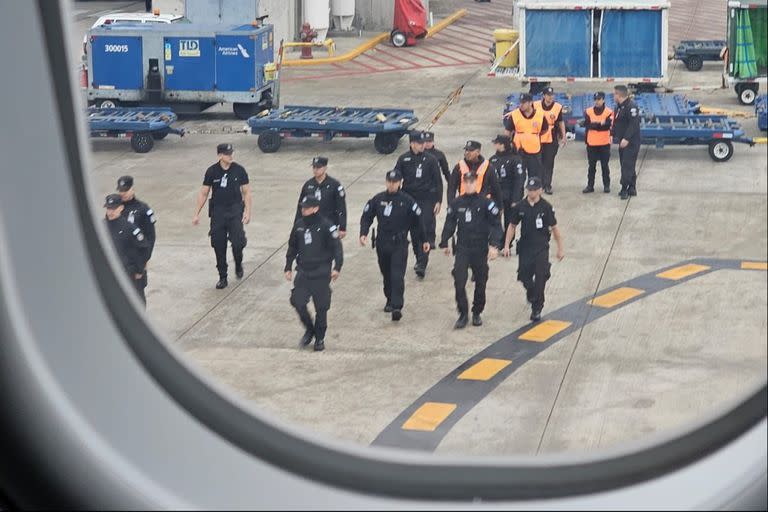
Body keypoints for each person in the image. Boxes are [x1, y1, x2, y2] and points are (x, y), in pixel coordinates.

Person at [360, 170, 430, 322]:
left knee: (397, 275)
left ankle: (397, 307)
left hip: (399, 244)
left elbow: (419, 222)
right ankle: (390, 299)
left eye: (395, 182)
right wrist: (363, 233)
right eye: (389, 181)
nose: (392, 184)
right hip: (382, 243)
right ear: (386, 182)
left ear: (400, 182)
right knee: (386, 274)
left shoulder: (407, 201)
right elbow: (367, 216)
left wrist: (425, 240)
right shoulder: (378, 199)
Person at [439, 172, 504, 329]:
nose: (468, 185)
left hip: (480, 248)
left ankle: (476, 312)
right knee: (459, 280)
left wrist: (494, 245)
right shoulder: (456, 203)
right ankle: (463, 313)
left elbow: (496, 225)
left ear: (476, 183)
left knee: (481, 281)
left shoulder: (486, 203)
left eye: (471, 182)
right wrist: (445, 242)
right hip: (463, 247)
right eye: (466, 182)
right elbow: (449, 223)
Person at [285, 196, 343, 352]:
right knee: (297, 301)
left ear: (315, 208)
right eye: (302, 207)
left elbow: (337, 248)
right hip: (304, 271)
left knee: (321, 308)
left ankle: (320, 338)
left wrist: (337, 267)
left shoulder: (327, 226)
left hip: (321, 272)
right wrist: (288, 266)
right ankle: (309, 329)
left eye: (306, 207)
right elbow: (292, 247)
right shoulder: (299, 226)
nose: (303, 210)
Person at [503, 177, 565, 322]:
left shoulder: (546, 207)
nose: (531, 192)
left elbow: (555, 228)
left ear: (540, 190)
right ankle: (531, 293)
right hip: (525, 247)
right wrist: (506, 245)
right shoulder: (520, 207)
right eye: (529, 189)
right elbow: (512, 226)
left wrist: (560, 248)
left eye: (534, 190)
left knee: (540, 277)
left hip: (541, 247)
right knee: (524, 276)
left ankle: (537, 308)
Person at [192, 143, 252, 290]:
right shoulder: (212, 171)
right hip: (218, 212)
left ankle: (238, 263)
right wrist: (196, 213)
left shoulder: (239, 170)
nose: (230, 156)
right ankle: (222, 276)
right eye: (227, 154)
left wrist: (248, 211)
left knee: (238, 242)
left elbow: (246, 192)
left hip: (235, 210)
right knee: (218, 244)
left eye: (231, 153)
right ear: (219, 155)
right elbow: (204, 193)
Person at [393, 131, 442, 279]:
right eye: (419, 143)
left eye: (423, 143)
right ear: (412, 144)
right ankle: (418, 256)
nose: (422, 146)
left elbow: (438, 181)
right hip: (408, 198)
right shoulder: (403, 159)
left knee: (424, 231)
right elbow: (396, 177)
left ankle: (422, 263)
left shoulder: (431, 160)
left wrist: (438, 200)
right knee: (414, 233)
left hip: (426, 199)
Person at [104, 194, 150, 304]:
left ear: (121, 208)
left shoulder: (129, 228)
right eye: (108, 208)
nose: (110, 211)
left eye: (113, 208)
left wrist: (140, 270)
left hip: (128, 273)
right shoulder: (101, 226)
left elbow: (144, 248)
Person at [117, 176, 157, 302]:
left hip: (136, 260)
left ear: (132, 189)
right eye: (121, 190)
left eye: (126, 190)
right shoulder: (115, 208)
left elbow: (150, 237)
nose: (123, 193)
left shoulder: (143, 209)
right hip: (119, 258)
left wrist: (145, 259)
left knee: (137, 295)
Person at [295, 156, 347, 238]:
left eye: (318, 167)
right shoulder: (308, 185)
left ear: (325, 168)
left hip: (329, 224)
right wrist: (297, 226)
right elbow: (300, 207)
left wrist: (342, 227)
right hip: (311, 224)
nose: (315, 170)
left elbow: (341, 207)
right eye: (314, 167)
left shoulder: (334, 185)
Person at [503, 93, 549, 180]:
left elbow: (544, 129)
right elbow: (507, 131)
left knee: (534, 177)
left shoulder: (540, 115)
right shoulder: (515, 115)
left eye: (524, 103)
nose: (521, 105)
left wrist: (533, 136)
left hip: (534, 151)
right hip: (518, 151)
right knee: (518, 178)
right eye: (520, 102)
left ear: (531, 103)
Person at [447, 140, 503, 207]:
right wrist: (450, 205)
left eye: (470, 151)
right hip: (463, 204)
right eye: (466, 150)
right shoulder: (459, 167)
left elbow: (496, 188)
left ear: (478, 152)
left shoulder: (488, 167)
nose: (467, 153)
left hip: (482, 205)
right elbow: (451, 188)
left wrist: (500, 206)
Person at [488, 134, 525, 233]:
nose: (494, 145)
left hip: (509, 195)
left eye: (496, 143)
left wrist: (516, 199)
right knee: (494, 220)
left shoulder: (515, 159)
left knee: (509, 221)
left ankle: (507, 243)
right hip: (495, 195)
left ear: (502, 145)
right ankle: (497, 241)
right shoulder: (492, 159)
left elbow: (519, 180)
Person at [534, 87, 567, 195]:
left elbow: (561, 122)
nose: (550, 97)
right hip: (538, 137)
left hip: (551, 138)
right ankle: (538, 184)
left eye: (552, 95)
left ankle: (547, 185)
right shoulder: (536, 105)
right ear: (543, 96)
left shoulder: (557, 107)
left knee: (549, 162)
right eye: (548, 95)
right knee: (538, 163)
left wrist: (563, 136)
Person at [612, 85, 641, 200]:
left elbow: (634, 124)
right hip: (622, 141)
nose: (613, 96)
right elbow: (617, 123)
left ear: (619, 95)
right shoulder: (618, 107)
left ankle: (624, 188)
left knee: (626, 165)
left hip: (631, 142)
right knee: (628, 164)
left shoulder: (631, 106)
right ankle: (632, 187)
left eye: (614, 94)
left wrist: (626, 139)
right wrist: (612, 135)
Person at [582, 92, 614, 194]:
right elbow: (587, 124)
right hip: (592, 143)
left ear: (603, 100)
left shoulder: (609, 112)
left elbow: (608, 125)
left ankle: (606, 186)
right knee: (591, 166)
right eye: (595, 99)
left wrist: (595, 125)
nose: (597, 101)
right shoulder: (588, 111)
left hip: (604, 143)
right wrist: (600, 124)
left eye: (599, 99)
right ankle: (590, 186)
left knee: (605, 166)